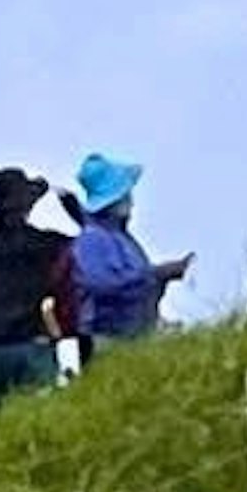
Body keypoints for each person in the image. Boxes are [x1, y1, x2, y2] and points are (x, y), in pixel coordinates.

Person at [58, 152, 192, 364]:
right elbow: (98, 283)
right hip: (108, 340)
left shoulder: (117, 238)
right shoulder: (93, 240)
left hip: (131, 336)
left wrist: (157, 278)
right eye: (126, 195)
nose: (131, 202)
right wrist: (154, 275)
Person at [0, 167, 71, 404]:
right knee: (39, 415)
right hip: (33, 343)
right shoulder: (46, 243)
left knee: (1, 420)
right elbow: (86, 247)